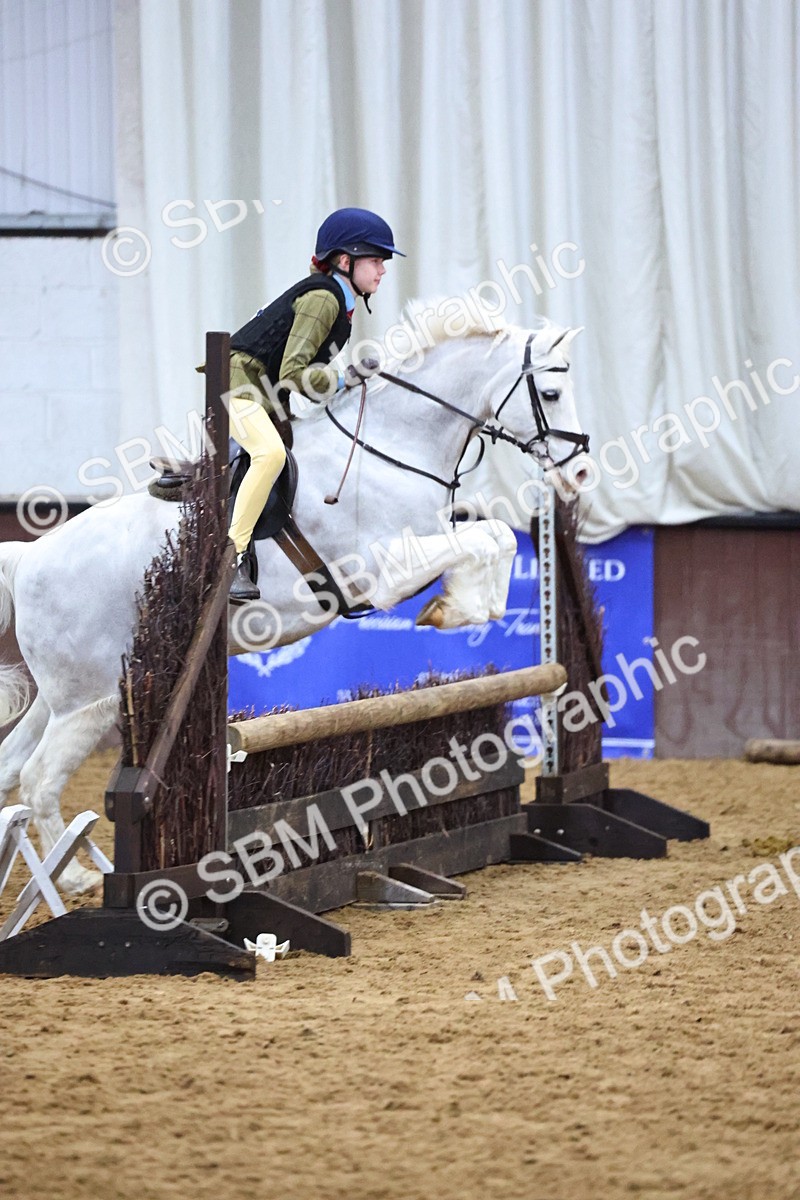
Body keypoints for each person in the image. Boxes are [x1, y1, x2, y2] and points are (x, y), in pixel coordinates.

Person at [224, 207, 404, 601]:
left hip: (262, 389)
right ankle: (231, 554)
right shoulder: (324, 298)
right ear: (345, 260)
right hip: (239, 382)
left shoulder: (339, 301)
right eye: (375, 260)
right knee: (269, 455)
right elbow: (294, 372)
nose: (382, 270)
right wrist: (346, 377)